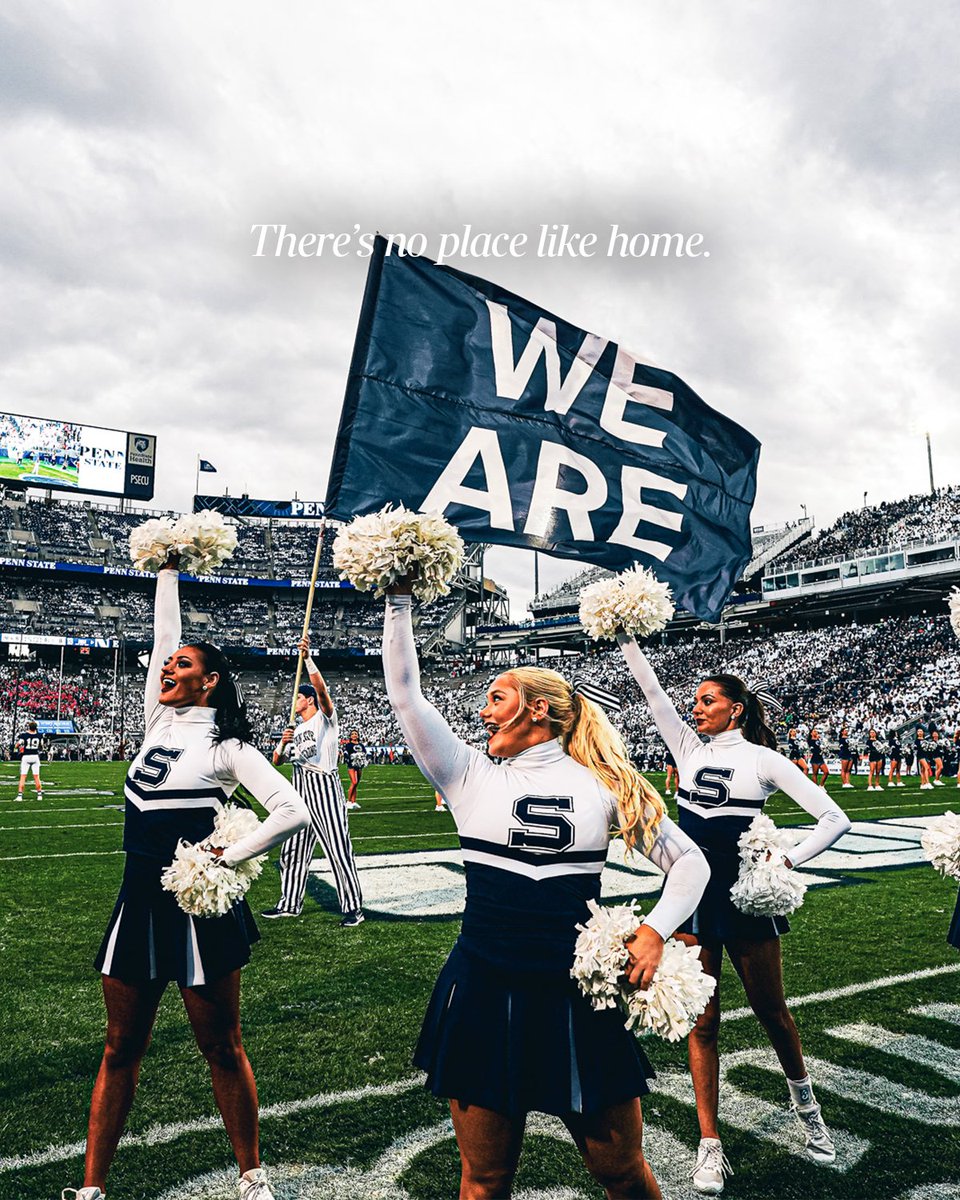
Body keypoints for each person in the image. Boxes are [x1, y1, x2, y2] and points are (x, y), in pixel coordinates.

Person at [383, 589, 709, 1200]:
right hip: (483, 985)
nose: (483, 714)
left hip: (578, 996)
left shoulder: (605, 784)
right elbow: (405, 694)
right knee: (484, 1180)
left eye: (495, 699)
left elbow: (691, 862)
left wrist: (654, 931)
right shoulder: (466, 775)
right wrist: (399, 595)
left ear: (535, 710)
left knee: (622, 1171)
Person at [63, 557, 309, 1200]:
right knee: (119, 1049)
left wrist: (227, 858)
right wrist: (167, 570)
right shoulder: (157, 724)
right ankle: (91, 1188)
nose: (169, 669)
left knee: (222, 1047)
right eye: (168, 665)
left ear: (211, 683)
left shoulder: (229, 749)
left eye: (183, 666)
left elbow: (290, 809)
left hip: (199, 911)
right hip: (137, 904)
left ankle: (252, 1175)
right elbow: (158, 640)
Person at [619, 640, 851, 1195]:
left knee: (773, 1011)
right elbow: (651, 694)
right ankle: (709, 1146)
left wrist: (786, 857)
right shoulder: (685, 747)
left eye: (706, 701)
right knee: (703, 1022)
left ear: (735, 709)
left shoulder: (763, 759)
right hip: (692, 892)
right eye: (693, 702)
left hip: (744, 895)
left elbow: (834, 818)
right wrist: (626, 635)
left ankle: (807, 1109)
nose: (694, 708)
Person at [263, 636, 364, 928]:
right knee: (292, 848)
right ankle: (289, 903)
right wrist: (282, 744)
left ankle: (353, 907)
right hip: (299, 787)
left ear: (308, 700)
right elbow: (277, 763)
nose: (293, 701)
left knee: (337, 848)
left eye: (298, 697)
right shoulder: (295, 727)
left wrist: (307, 659)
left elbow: (322, 691)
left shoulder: (325, 719)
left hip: (323, 786)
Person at [15, 720, 44, 801]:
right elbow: (41, 746)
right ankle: (39, 795)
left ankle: (20, 796)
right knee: (36, 777)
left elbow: (17, 744)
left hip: (26, 756)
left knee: (23, 776)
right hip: (35, 756)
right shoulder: (39, 735)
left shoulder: (24, 735)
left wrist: (19, 748)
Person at [343, 729, 366, 809]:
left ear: (358, 735)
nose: (354, 735)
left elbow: (364, 753)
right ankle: (348, 801)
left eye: (356, 734)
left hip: (359, 765)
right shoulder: (348, 745)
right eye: (352, 734)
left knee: (356, 784)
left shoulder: (361, 745)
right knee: (354, 782)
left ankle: (354, 801)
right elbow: (346, 753)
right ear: (350, 736)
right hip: (351, 765)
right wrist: (349, 759)